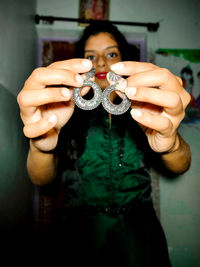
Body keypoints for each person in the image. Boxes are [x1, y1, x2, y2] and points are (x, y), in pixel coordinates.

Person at [17, 21, 191, 266]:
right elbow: (41, 179)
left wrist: (172, 143)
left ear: (124, 59)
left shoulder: (148, 109)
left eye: (111, 53)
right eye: (91, 56)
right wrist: (40, 143)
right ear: (82, 64)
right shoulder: (63, 110)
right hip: (79, 235)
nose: (100, 62)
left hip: (139, 235)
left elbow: (181, 165)